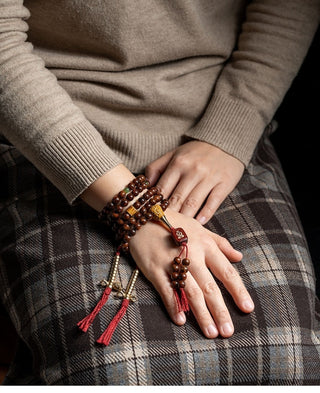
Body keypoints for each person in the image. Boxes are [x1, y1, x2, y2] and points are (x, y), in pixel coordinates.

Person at [0, 0, 319, 385]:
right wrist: (135, 210)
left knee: (292, 357)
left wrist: (228, 133)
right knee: (111, 371)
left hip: (215, 128)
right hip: (47, 133)